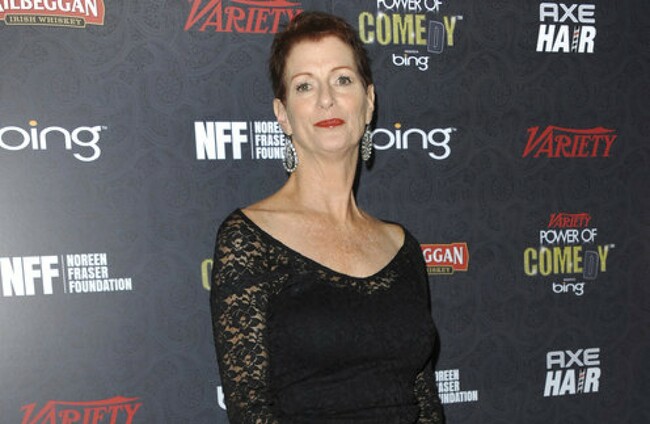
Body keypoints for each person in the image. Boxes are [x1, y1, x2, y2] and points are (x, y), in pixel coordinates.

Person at [211, 11, 444, 424]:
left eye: (342, 79)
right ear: (283, 114)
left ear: (368, 103)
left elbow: (424, 399)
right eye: (305, 85)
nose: (326, 99)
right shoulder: (248, 239)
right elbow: (251, 411)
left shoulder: (402, 246)